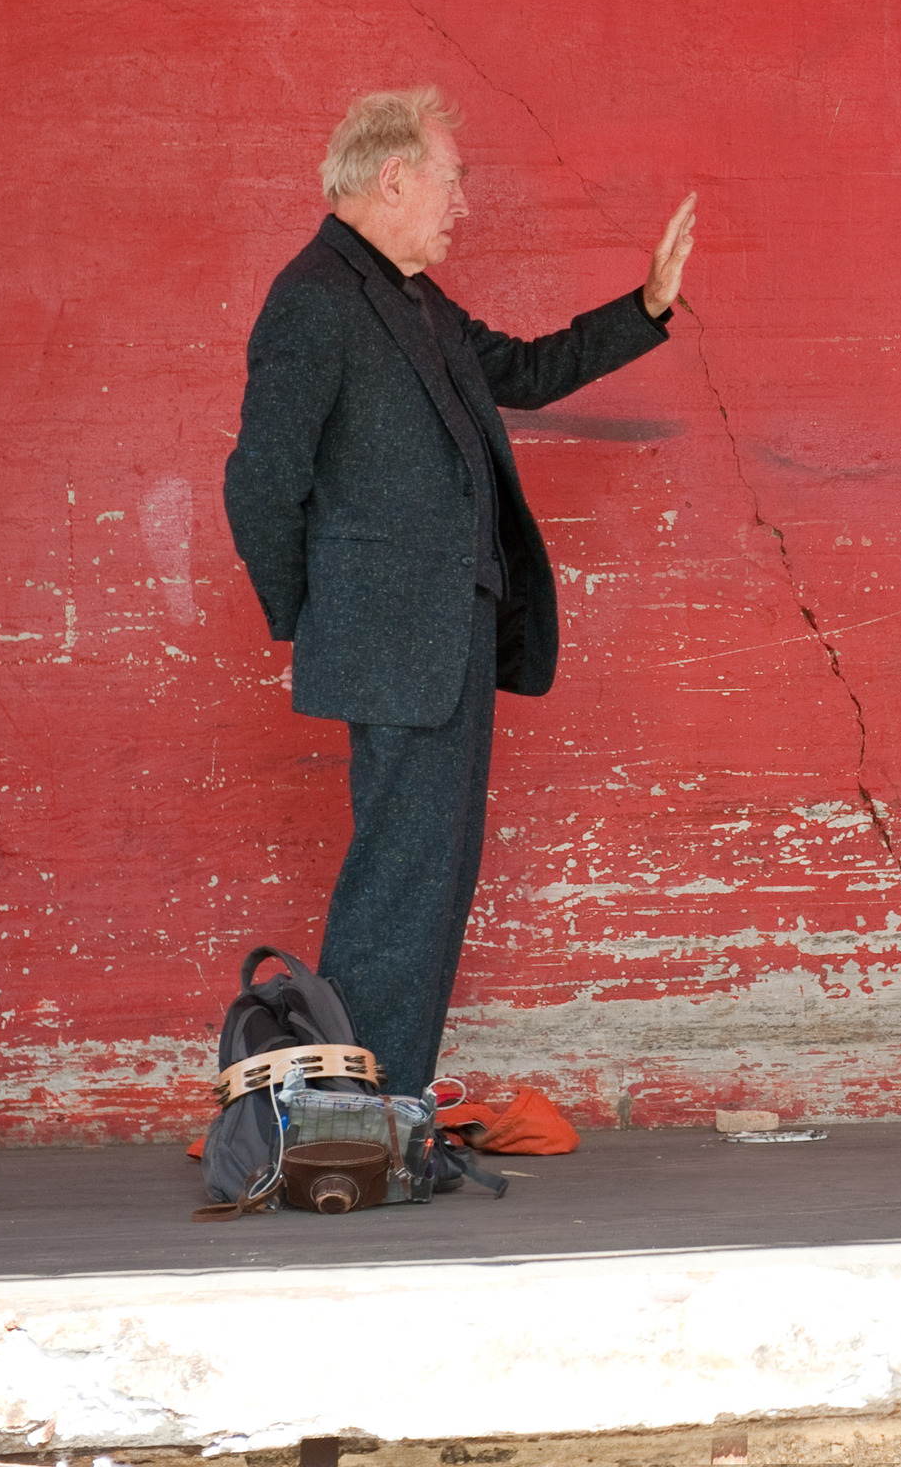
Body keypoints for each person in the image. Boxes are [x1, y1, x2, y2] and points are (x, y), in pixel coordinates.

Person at [225, 88, 696, 1094]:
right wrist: (315, 617)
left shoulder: (409, 296)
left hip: (443, 638)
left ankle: (380, 1101)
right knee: (402, 879)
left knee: (428, 880)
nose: (460, 205)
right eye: (449, 183)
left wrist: (647, 307)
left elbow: (521, 372)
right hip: (391, 639)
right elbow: (261, 478)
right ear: (391, 179)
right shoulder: (316, 295)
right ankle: (349, 1106)